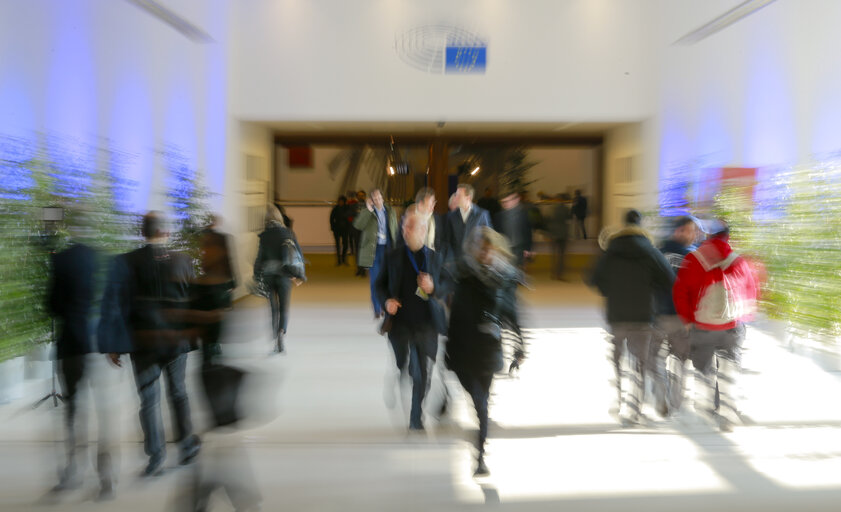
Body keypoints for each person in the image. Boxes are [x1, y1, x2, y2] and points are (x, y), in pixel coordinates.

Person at [104, 211, 200, 477]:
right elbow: (192, 301)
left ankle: (156, 456)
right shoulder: (184, 261)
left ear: (142, 232)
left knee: (148, 400)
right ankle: (186, 448)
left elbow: (118, 307)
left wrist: (114, 345)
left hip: (143, 343)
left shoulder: (124, 262)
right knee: (179, 394)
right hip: (176, 343)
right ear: (166, 233)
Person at [446, 227, 524, 477]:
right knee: (479, 401)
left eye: (489, 249)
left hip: (488, 351)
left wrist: (520, 345)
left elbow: (511, 314)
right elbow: (454, 318)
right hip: (463, 352)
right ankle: (480, 453)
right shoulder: (463, 277)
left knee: (482, 404)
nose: (485, 253)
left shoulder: (501, 280)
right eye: (481, 249)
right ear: (474, 251)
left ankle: (480, 456)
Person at [46, 214, 114, 500]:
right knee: (104, 412)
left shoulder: (61, 260)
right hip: (100, 343)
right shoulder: (104, 260)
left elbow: (51, 305)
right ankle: (106, 479)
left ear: (71, 230)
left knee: (74, 410)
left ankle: (73, 472)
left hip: (72, 344)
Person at [590, 209, 674, 426]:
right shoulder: (651, 251)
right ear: (640, 225)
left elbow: (592, 278)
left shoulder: (610, 251)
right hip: (644, 315)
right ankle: (637, 407)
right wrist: (652, 289)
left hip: (617, 316)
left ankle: (620, 402)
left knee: (618, 361)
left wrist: (610, 290)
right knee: (642, 362)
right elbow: (670, 280)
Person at [673, 219, 758, 432]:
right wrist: (743, 319)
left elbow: (680, 292)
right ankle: (727, 414)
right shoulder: (738, 261)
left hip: (703, 326)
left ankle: (704, 411)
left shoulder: (694, 258)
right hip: (731, 327)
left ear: (709, 236)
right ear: (728, 237)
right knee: (728, 370)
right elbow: (751, 292)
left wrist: (687, 320)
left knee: (703, 370)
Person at [375, 211, 449, 431]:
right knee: (403, 364)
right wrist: (386, 300)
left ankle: (416, 416)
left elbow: (447, 284)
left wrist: (434, 287)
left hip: (427, 325)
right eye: (404, 227)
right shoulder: (393, 256)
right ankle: (401, 368)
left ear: (423, 231)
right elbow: (379, 285)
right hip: (400, 325)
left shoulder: (434, 258)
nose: (405, 231)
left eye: (410, 227)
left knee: (422, 372)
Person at [652, 216, 699, 416]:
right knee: (680, 361)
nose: (694, 235)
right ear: (678, 231)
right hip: (683, 320)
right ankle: (676, 399)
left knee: (656, 359)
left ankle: (661, 394)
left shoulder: (657, 253)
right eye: (690, 231)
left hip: (658, 317)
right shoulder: (693, 256)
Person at [254, 205, 306, 353]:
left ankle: (275, 334)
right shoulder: (287, 233)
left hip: (269, 277)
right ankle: (281, 333)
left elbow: (260, 258)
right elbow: (297, 255)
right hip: (284, 276)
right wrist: (299, 275)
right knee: (284, 307)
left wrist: (256, 275)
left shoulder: (264, 236)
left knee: (273, 308)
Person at [353, 189, 398, 318]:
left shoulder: (390, 211)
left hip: (388, 249)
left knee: (388, 279)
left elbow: (394, 230)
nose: (378, 200)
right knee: (375, 280)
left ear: (383, 198)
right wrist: (368, 210)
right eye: (375, 198)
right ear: (371, 200)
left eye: (379, 198)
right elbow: (358, 225)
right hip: (373, 251)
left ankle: (385, 305)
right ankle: (377, 308)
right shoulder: (368, 212)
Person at [443, 184, 492, 267]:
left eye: (459, 196)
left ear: (468, 198)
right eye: (456, 195)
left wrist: (484, 260)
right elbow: (447, 241)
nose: (455, 198)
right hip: (457, 265)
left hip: (476, 265)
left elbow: (489, 239)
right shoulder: (451, 216)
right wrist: (449, 261)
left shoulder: (482, 214)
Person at [493, 189, 533, 268]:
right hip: (505, 249)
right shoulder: (499, 216)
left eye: (507, 201)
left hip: (519, 249)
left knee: (517, 272)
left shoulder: (524, 214)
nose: (505, 204)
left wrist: (528, 249)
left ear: (516, 200)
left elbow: (528, 232)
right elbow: (496, 234)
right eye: (503, 202)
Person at [548, 193, 571, 280]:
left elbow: (549, 221)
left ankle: (553, 273)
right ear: (563, 200)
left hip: (553, 234)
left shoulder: (551, 209)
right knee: (561, 255)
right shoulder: (566, 209)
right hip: (563, 234)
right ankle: (559, 274)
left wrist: (549, 234)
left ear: (556, 200)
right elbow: (569, 219)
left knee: (554, 255)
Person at [330, 196, 350, 266]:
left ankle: (344, 259)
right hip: (337, 229)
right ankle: (339, 261)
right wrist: (332, 227)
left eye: (342, 201)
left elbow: (349, 218)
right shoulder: (335, 209)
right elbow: (331, 219)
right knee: (337, 245)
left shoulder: (347, 208)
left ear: (344, 202)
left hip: (345, 229)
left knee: (345, 245)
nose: (340, 202)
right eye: (339, 201)